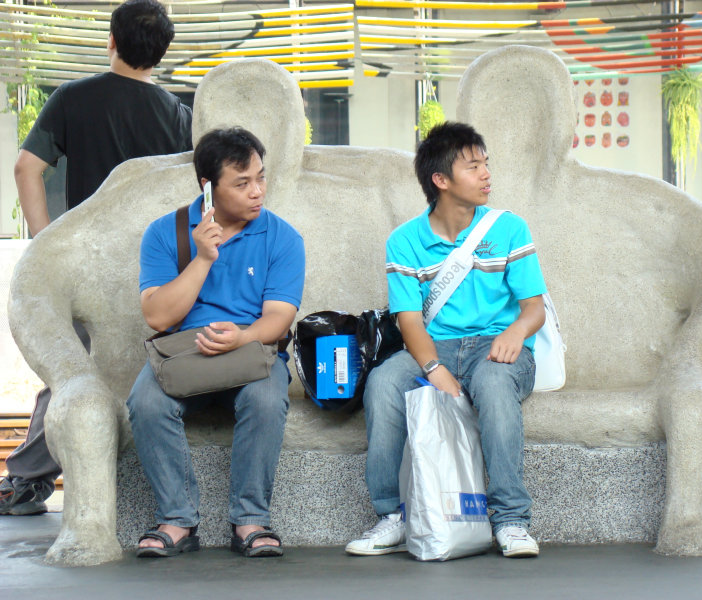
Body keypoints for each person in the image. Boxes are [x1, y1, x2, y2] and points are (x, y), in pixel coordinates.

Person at [1, 0, 192, 517]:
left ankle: (24, 480)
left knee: (73, 371)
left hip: (87, 265)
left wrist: (46, 246)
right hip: (161, 272)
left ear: (111, 40)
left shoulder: (72, 99)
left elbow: (26, 169)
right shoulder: (178, 116)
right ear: (162, 54)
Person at [346, 122, 547, 558]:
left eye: (485, 164)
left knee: (494, 385)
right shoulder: (404, 242)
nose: (486, 174)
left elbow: (535, 308)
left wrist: (515, 331)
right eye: (474, 167)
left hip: (497, 348)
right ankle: (392, 516)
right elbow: (409, 322)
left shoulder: (510, 229)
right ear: (440, 180)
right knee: (383, 383)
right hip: (434, 348)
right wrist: (434, 369)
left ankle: (510, 520)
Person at [127, 127, 304, 558]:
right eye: (242, 183)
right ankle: (178, 520)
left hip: (252, 351)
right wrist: (204, 258)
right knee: (145, 402)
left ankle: (250, 521)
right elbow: (157, 315)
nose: (257, 192)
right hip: (184, 355)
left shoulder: (282, 237)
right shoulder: (166, 232)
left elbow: (280, 317)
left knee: (265, 400)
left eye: (261, 178)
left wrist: (242, 336)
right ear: (208, 187)